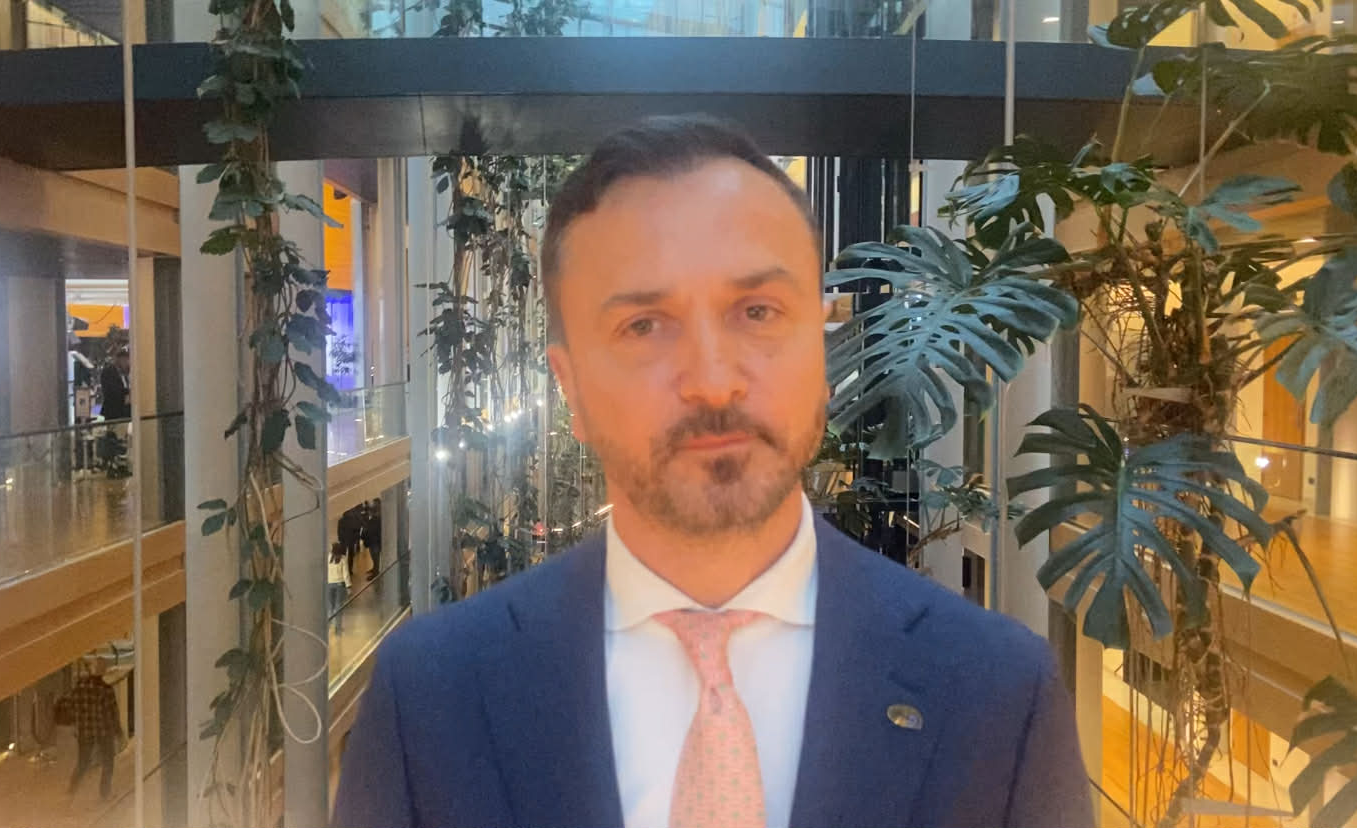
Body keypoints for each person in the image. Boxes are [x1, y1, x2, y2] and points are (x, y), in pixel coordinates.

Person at [332, 116, 1093, 828]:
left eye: (757, 311)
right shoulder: (429, 701)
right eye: (643, 326)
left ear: (820, 354)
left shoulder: (997, 696)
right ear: (572, 391)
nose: (713, 380)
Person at [61, 657, 121, 799]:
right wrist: (117, 730)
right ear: (103, 672)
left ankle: (71, 792)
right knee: (108, 762)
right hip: (103, 731)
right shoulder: (106, 690)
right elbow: (111, 713)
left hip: (84, 731)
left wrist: (76, 724)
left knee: (83, 763)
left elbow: (70, 706)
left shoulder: (79, 687)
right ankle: (104, 793)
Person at [98, 347, 131, 421]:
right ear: (119, 359)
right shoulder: (108, 372)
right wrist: (125, 397)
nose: (127, 363)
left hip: (125, 413)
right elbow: (110, 392)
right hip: (113, 412)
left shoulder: (124, 374)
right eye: (125, 360)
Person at [328, 542, 352, 635]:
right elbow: (346, 574)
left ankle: (329, 625)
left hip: (329, 584)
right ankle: (338, 628)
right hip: (339, 585)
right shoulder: (343, 559)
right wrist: (348, 586)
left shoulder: (328, 558)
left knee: (330, 606)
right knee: (338, 607)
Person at [362, 498, 383, 580]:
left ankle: (376, 572)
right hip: (372, 542)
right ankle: (374, 568)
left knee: (376, 557)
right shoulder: (373, 519)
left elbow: (373, 531)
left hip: (375, 542)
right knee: (373, 557)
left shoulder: (376, 519)